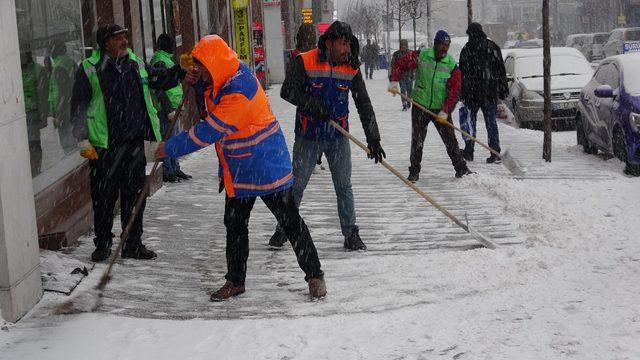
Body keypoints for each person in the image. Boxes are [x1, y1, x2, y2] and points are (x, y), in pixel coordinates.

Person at [156, 35, 326, 301]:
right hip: (239, 168)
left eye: (203, 69)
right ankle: (235, 281)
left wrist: (170, 147)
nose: (201, 74)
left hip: (266, 164)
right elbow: (213, 92)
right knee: (235, 225)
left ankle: (315, 275)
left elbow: (209, 130)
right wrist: (197, 83)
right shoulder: (226, 75)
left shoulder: (240, 91)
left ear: (215, 65)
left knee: (290, 222)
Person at [71, 24, 193, 262]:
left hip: (134, 144)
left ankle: (132, 244)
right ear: (106, 42)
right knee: (104, 199)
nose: (124, 41)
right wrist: (82, 138)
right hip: (105, 147)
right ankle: (103, 244)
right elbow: (78, 106)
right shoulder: (90, 68)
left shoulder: (135, 64)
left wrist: (180, 71)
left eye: (125, 36)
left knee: (135, 197)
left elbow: (159, 79)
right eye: (119, 38)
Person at [269, 21, 386, 251]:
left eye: (348, 45)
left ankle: (351, 233)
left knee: (344, 185)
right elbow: (288, 91)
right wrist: (313, 106)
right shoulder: (305, 60)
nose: (346, 50)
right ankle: (284, 227)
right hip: (308, 135)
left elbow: (363, 102)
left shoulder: (350, 66)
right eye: (343, 44)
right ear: (329, 42)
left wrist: (373, 138)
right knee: (296, 186)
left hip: (338, 137)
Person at [388, 30, 472, 182]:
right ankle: (414, 171)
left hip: (440, 108)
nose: (444, 49)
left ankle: (461, 168)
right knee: (417, 140)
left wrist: (446, 110)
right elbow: (400, 64)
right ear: (435, 44)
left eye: (447, 46)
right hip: (421, 105)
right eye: (441, 45)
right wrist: (394, 80)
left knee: (450, 140)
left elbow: (455, 90)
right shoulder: (422, 55)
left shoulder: (451, 65)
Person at [459, 22, 508, 163]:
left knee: (470, 122)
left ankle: (469, 150)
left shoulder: (467, 49)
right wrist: (503, 89)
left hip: (472, 93)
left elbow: (461, 72)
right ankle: (495, 151)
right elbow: (501, 70)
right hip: (489, 92)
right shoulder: (492, 47)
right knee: (491, 122)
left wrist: (462, 92)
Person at [150, 33, 192, 182]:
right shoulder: (160, 61)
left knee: (174, 138)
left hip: (173, 107)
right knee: (167, 140)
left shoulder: (165, 59)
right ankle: (168, 170)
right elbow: (159, 88)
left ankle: (175, 168)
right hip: (166, 109)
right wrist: (168, 109)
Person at [20, 51, 49, 176]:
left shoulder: (38, 70)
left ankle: (35, 171)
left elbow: (43, 95)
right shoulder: (16, 68)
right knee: (24, 145)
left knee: (33, 143)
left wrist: (43, 115)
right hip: (19, 114)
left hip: (32, 113)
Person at [48, 40, 77, 155]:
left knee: (68, 146)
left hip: (65, 112)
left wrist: (58, 115)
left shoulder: (59, 67)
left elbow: (63, 93)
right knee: (75, 144)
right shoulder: (71, 62)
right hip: (74, 109)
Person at [390, 39, 414, 111]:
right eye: (402, 45)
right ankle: (404, 104)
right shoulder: (396, 54)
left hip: (409, 75)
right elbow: (393, 64)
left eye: (405, 45)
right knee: (403, 90)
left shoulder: (410, 53)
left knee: (409, 90)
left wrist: (414, 72)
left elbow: (414, 63)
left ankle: (408, 101)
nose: (404, 46)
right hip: (401, 76)